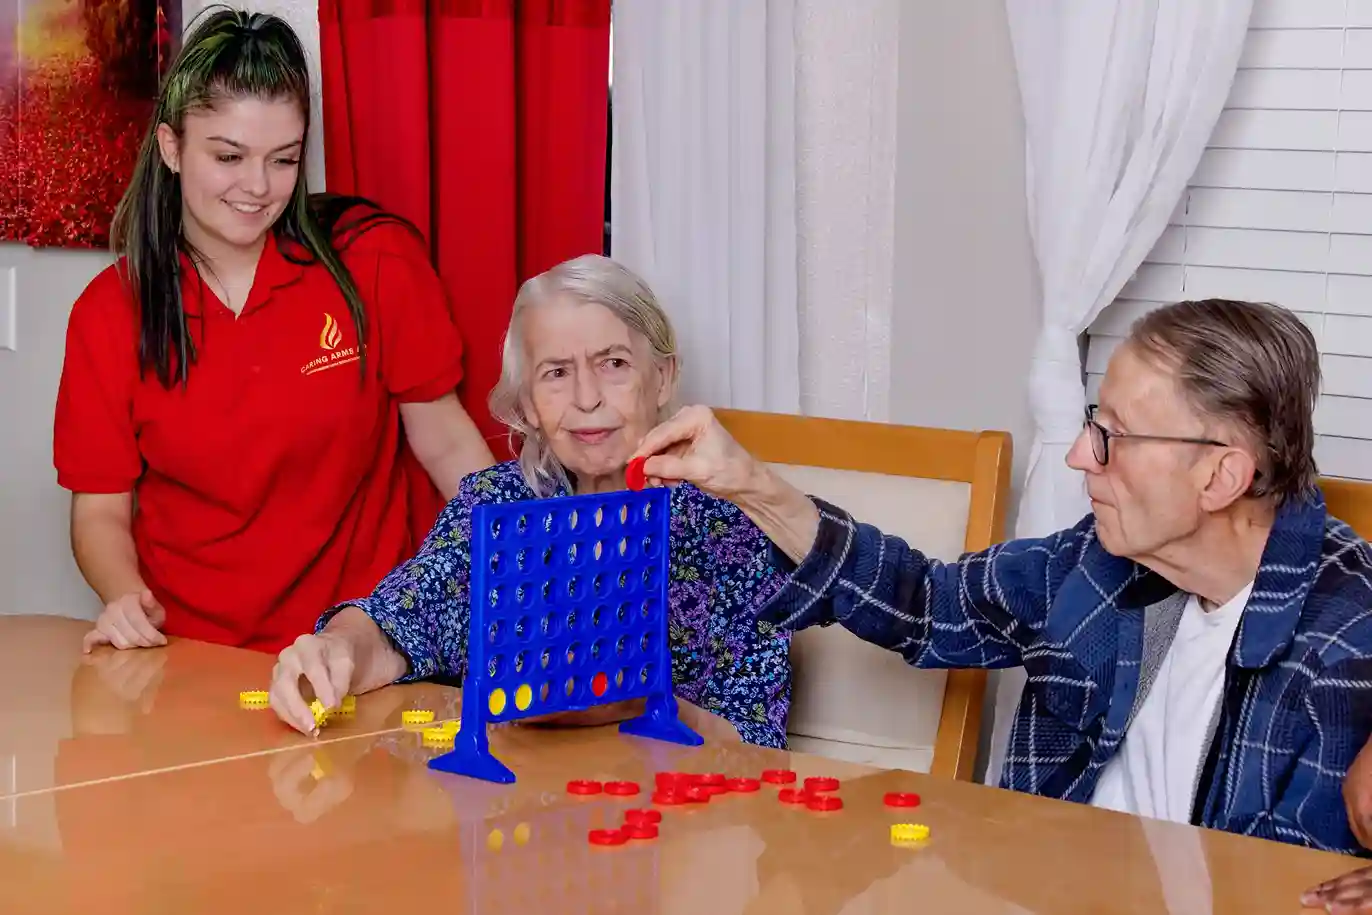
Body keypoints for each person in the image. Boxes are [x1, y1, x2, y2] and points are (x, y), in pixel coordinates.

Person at [632, 297, 1372, 854]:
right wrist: (751, 484)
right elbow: (925, 603)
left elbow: (1283, 890)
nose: (1079, 456)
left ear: (1220, 476)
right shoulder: (1101, 560)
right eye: (1091, 421)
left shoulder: (1343, 641)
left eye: (1111, 434)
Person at [53, 8, 495, 655]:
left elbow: (449, 447)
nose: (258, 187)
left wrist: (528, 563)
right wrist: (125, 597)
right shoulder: (109, 311)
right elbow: (98, 513)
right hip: (194, 664)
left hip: (360, 651)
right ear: (172, 147)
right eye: (229, 156)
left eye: (283, 159)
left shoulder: (375, 263)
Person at [266, 254, 792, 748]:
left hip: (669, 822)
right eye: (556, 373)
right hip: (508, 812)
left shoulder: (735, 527)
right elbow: (397, 622)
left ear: (663, 377)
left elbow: (757, 747)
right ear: (529, 405)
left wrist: (640, 702)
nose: (587, 398)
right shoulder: (496, 503)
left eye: (613, 363)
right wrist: (339, 649)